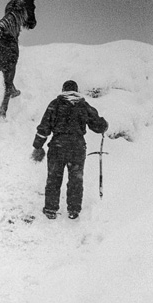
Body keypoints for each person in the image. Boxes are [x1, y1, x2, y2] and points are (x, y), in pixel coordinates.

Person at [31, 80, 108, 220]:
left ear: (63, 90)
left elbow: (44, 127)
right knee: (75, 179)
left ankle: (50, 209)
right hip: (77, 148)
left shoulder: (55, 104)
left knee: (54, 178)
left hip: (57, 147)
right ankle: (73, 210)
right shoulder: (83, 106)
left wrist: (38, 146)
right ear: (76, 91)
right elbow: (98, 125)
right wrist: (104, 125)